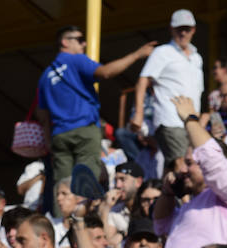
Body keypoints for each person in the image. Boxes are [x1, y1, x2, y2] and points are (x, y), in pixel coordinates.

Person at [39, 26, 156, 189]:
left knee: (62, 188)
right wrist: (136, 54)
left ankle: (62, 215)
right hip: (83, 131)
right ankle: (82, 214)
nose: (84, 44)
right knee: (86, 183)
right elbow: (106, 72)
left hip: (59, 135)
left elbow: (43, 115)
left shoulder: (45, 76)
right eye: (79, 40)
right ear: (65, 42)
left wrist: (49, 143)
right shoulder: (75, 60)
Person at [150, 100, 227, 248]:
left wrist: (190, 119)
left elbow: (211, 158)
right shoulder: (191, 204)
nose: (183, 169)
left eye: (189, 163)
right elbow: (160, 224)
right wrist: (167, 192)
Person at [133, 10, 205, 164]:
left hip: (191, 121)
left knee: (180, 167)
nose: (183, 33)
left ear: (194, 30)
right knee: (181, 165)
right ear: (171, 29)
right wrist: (138, 114)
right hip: (170, 120)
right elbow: (143, 80)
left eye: (187, 29)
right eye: (179, 29)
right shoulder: (162, 52)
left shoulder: (197, 57)